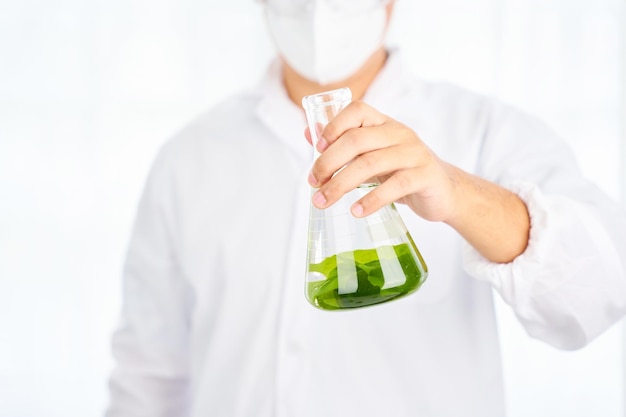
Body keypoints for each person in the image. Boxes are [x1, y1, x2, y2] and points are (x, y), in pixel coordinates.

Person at [106, 0, 626, 416]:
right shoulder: (189, 158)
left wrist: (458, 192)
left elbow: (598, 295)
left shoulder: (483, 130)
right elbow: (149, 377)